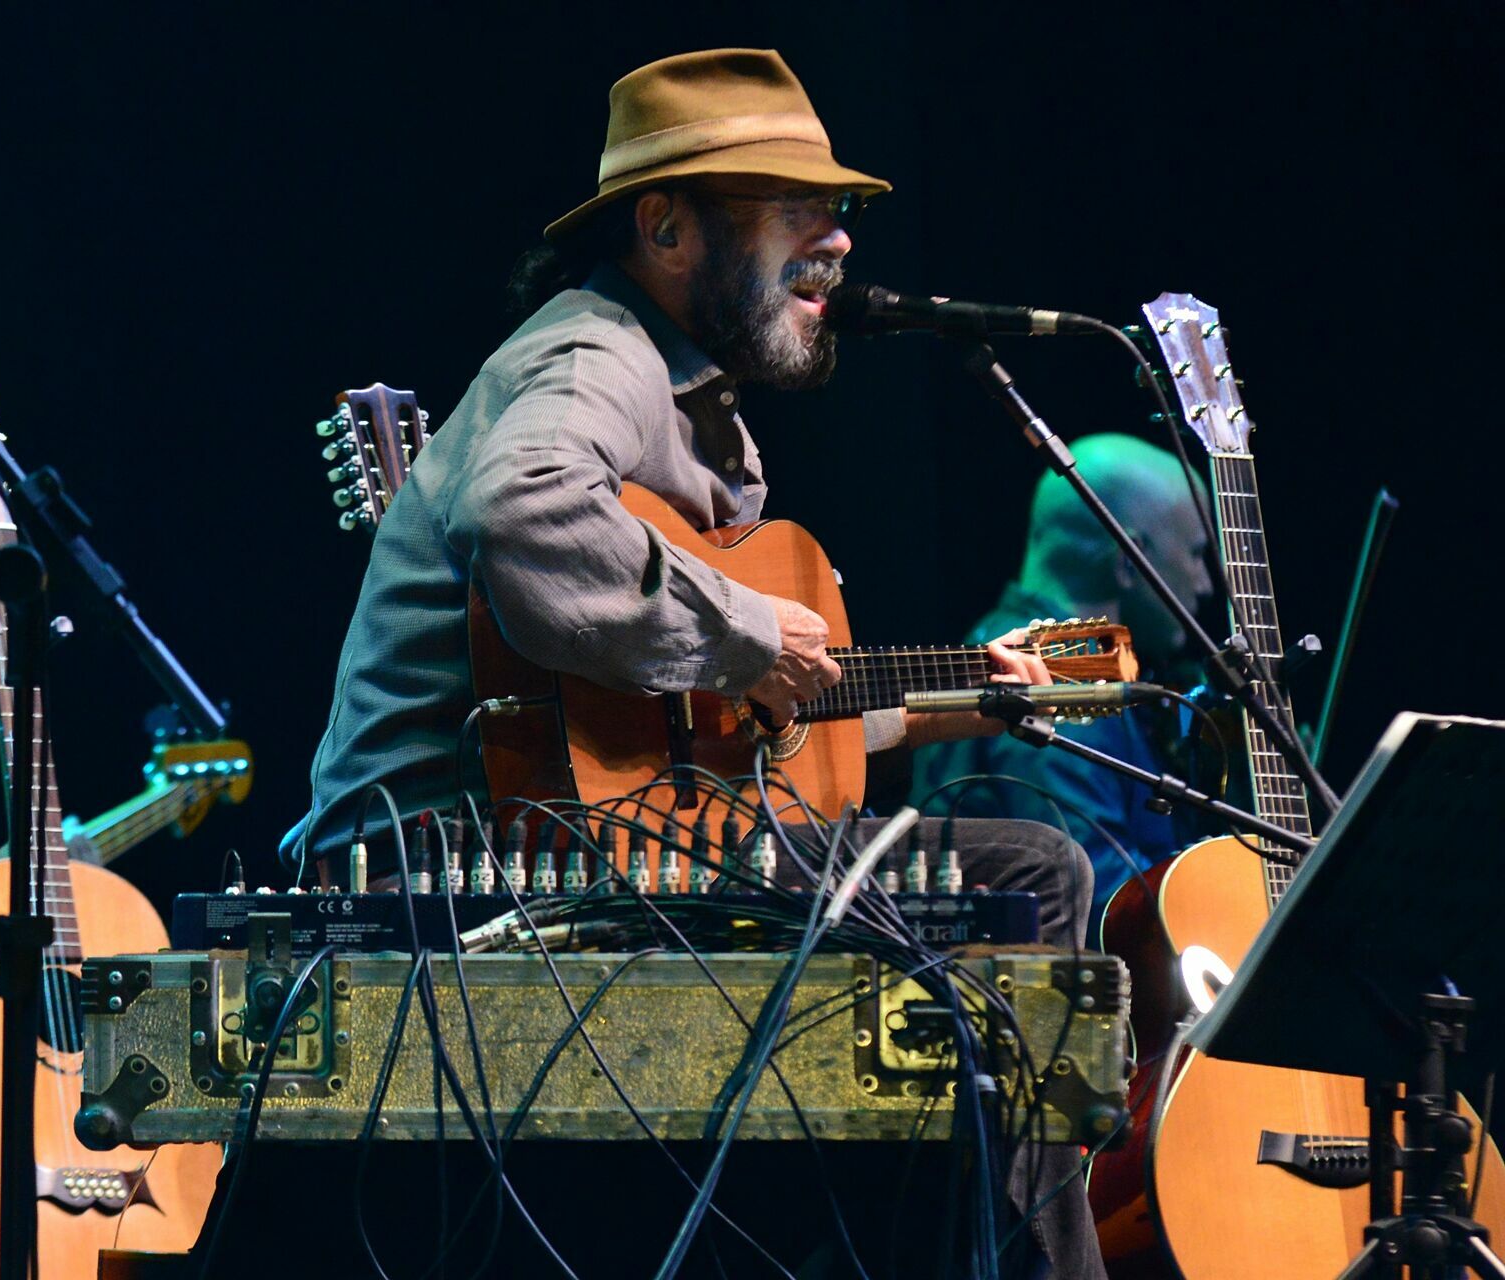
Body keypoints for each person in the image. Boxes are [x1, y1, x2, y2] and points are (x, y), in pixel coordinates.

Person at [283, 48, 1105, 1279]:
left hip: (583, 832)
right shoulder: (597, 357)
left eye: (841, 207)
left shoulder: (684, 393)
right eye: (796, 207)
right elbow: (525, 510)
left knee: (968, 914)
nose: (838, 239)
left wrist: (961, 699)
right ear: (664, 226)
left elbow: (688, 721)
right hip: (456, 859)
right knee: (1030, 871)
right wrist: (750, 632)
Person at [915, 433, 1216, 932]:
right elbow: (1102, 899)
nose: (1204, 583)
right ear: (1128, 561)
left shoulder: (999, 644)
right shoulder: (1056, 672)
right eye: (1195, 554)